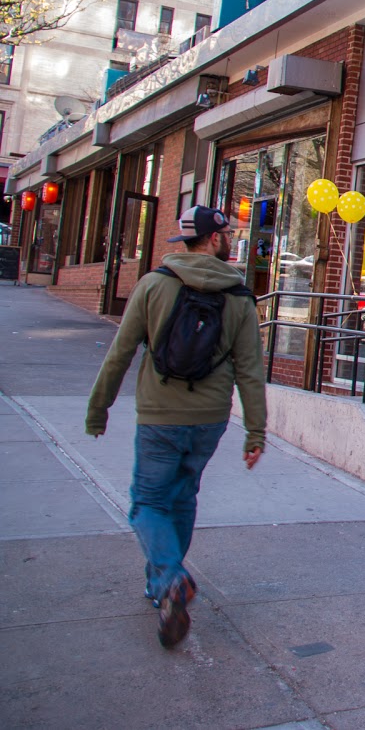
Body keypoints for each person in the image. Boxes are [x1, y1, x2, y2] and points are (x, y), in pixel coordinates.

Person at [85, 205, 267, 649]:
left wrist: (99, 408)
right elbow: (250, 370)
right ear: (215, 240)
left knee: (147, 502)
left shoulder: (152, 285)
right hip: (209, 420)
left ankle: (168, 577)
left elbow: (121, 352)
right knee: (182, 498)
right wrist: (255, 432)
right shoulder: (240, 299)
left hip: (159, 416)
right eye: (227, 233)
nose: (230, 238)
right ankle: (160, 586)